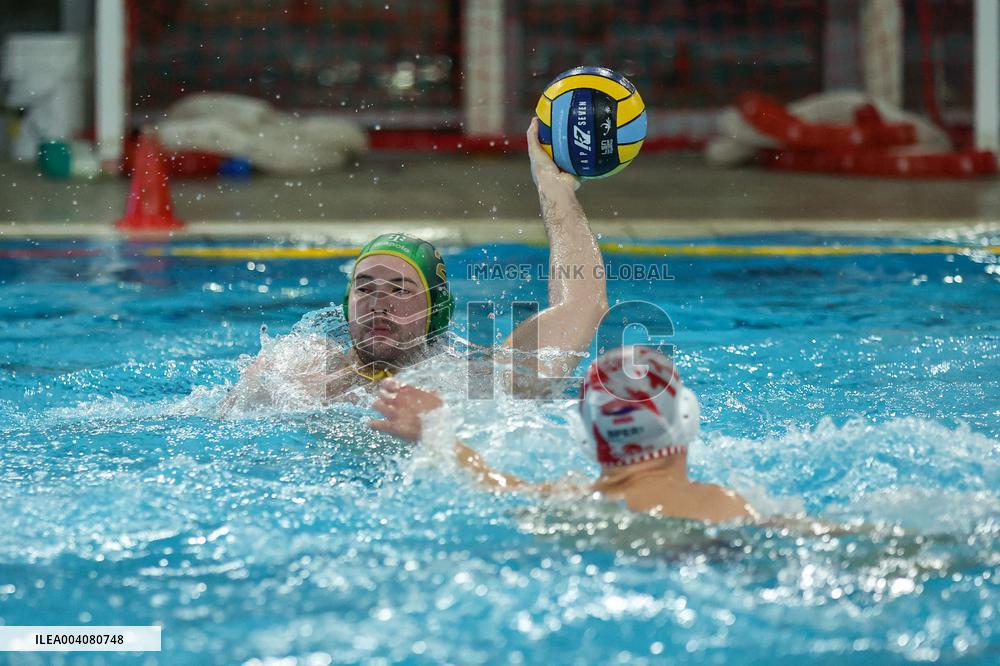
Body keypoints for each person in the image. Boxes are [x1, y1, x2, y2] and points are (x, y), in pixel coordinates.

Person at [219, 117, 608, 411]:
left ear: (436, 312)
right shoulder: (295, 368)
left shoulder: (472, 381)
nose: (378, 302)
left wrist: (553, 188)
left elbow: (583, 305)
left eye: (401, 290)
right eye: (365, 287)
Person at [369, 345, 758, 524]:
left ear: (585, 435)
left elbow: (489, 482)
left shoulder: (567, 506)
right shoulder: (728, 507)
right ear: (687, 417)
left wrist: (436, 430)